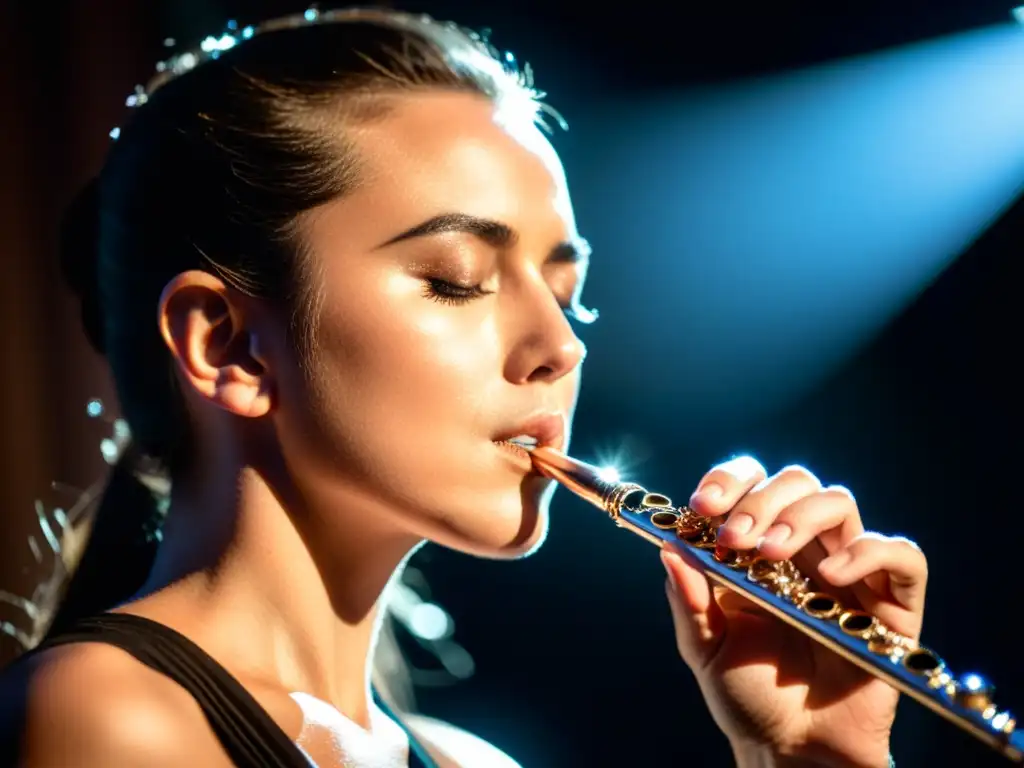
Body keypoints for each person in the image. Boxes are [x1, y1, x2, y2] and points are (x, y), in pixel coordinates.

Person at [0, 7, 927, 767]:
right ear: (229, 344)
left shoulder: (470, 763)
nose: (560, 346)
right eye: (456, 279)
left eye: (570, 295)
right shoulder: (115, 722)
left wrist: (811, 757)